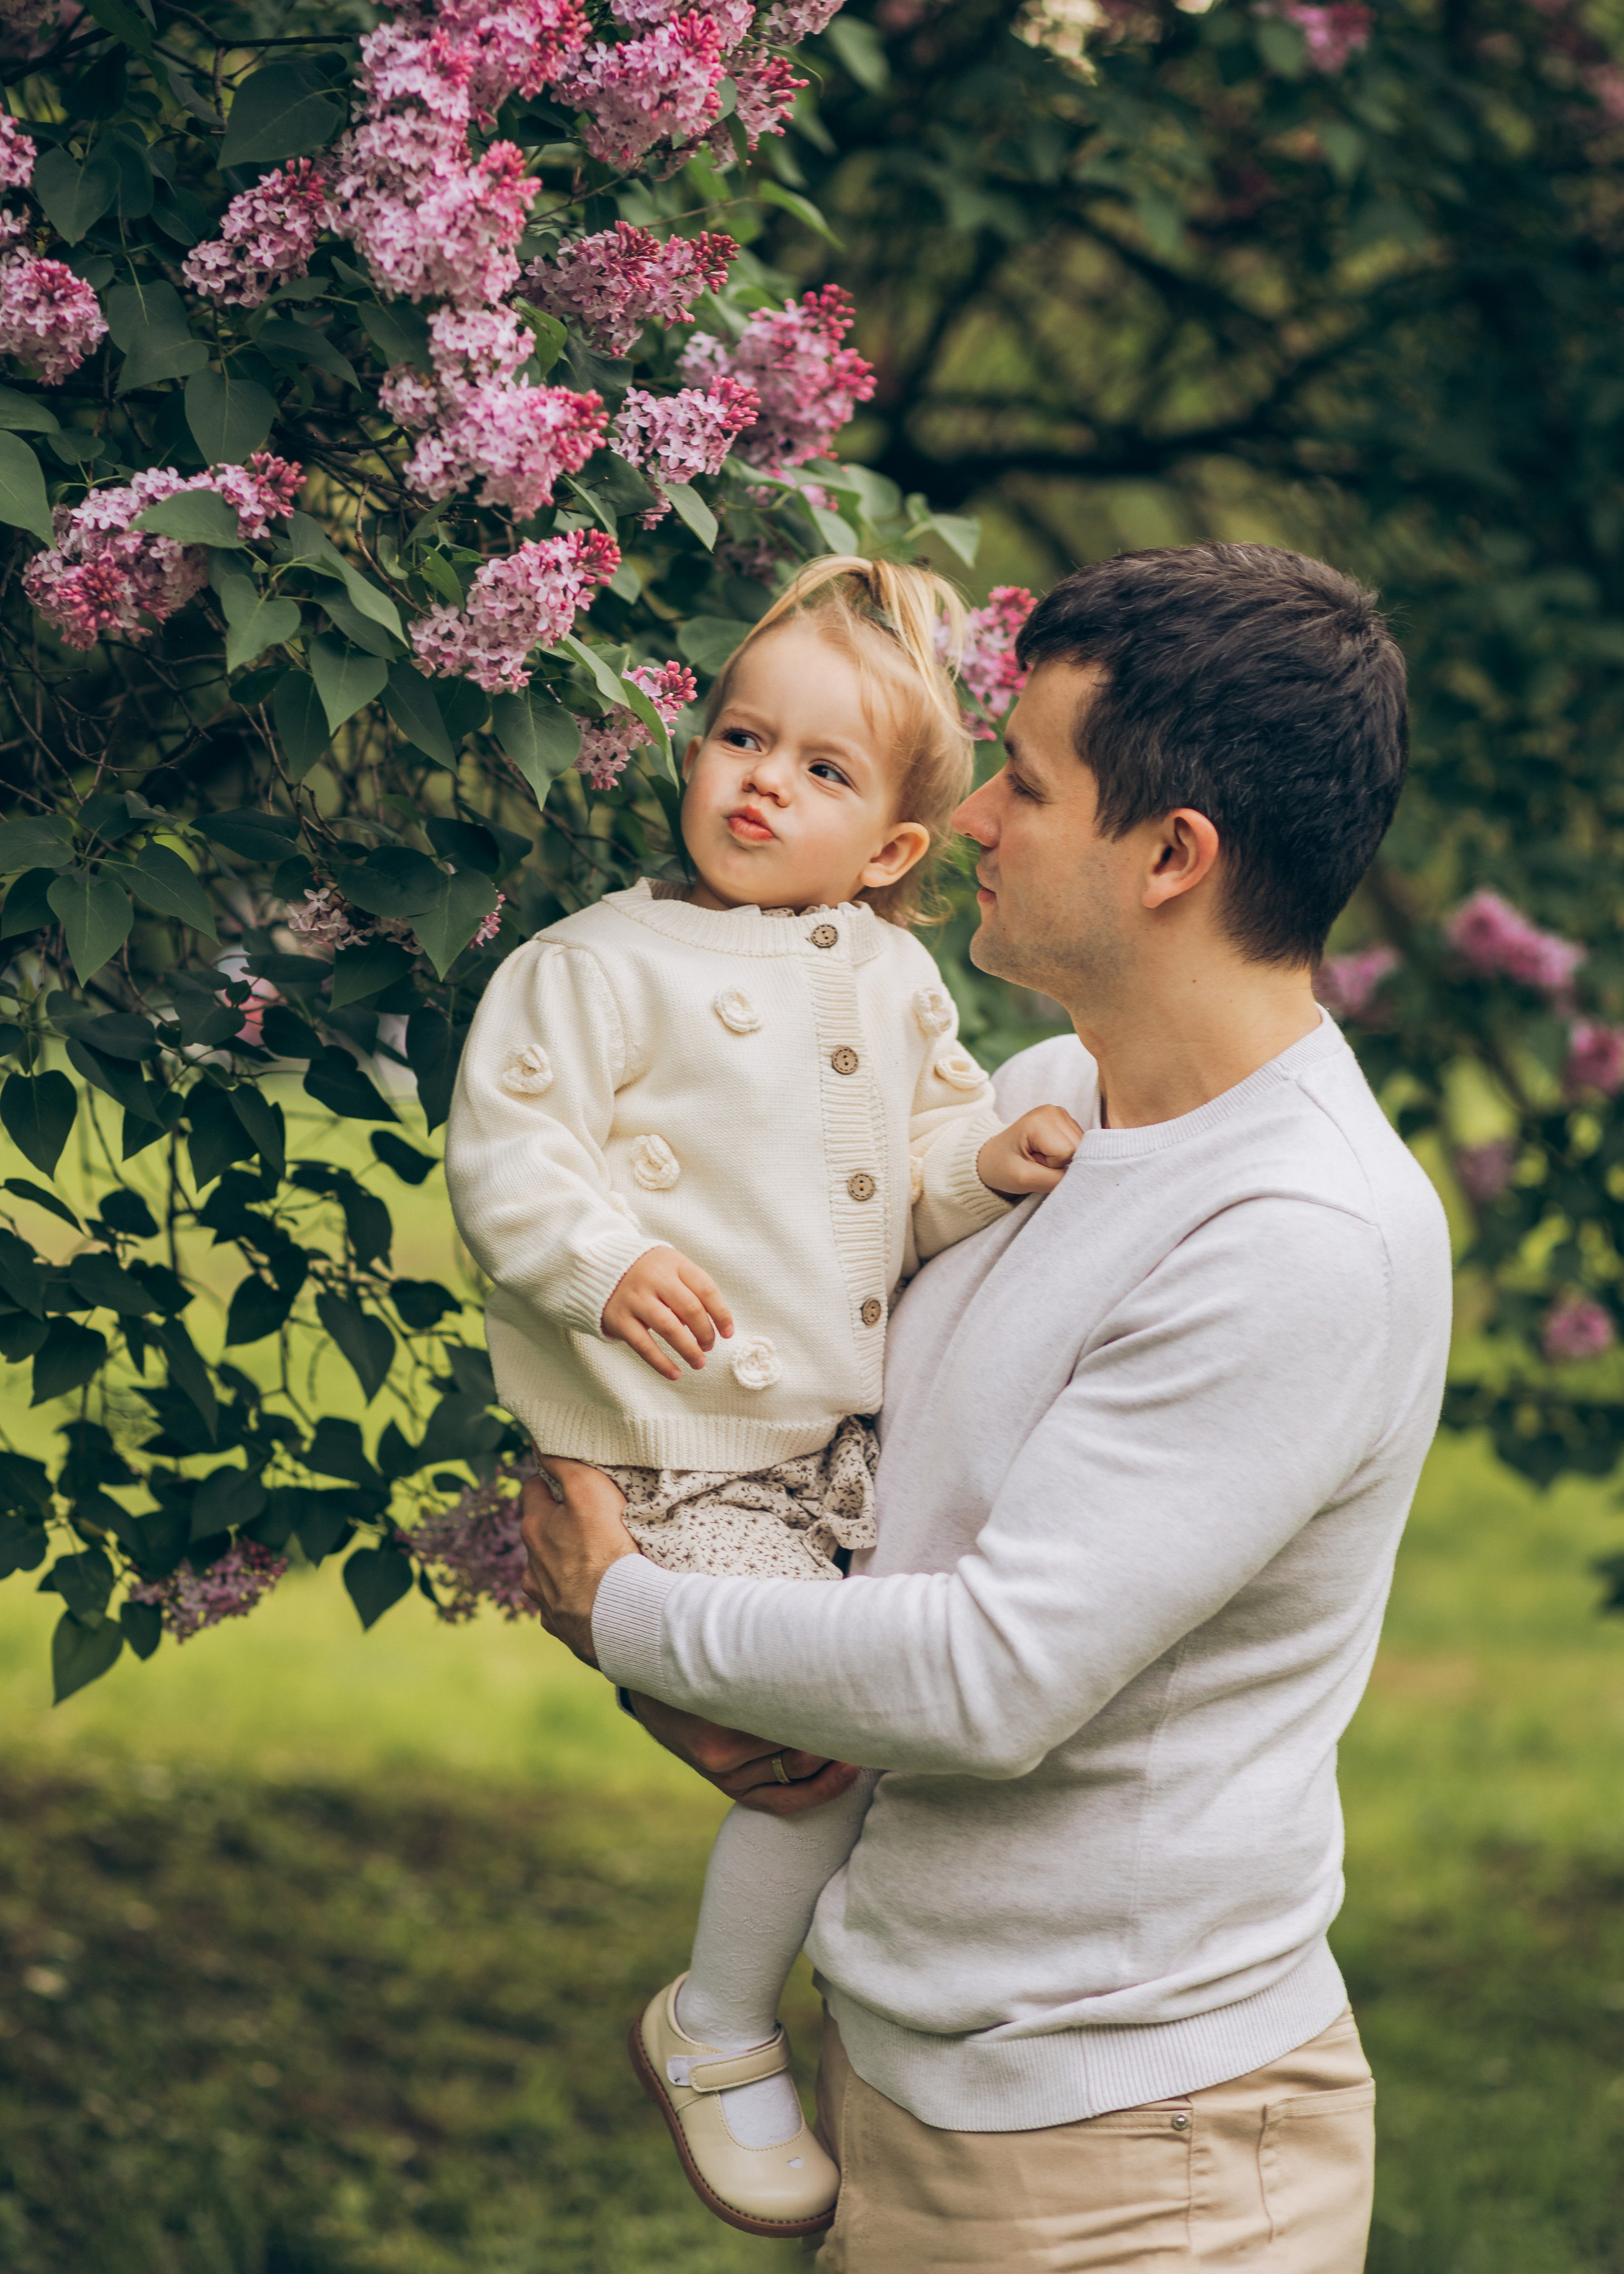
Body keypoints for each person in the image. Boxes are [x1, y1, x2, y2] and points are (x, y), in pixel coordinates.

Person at [519, 541, 1456, 2273]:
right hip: (900, 2071)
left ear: (1173, 858)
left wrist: (630, 1606)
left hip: (1131, 2152)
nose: (967, 825)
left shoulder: (1304, 1239)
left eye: (1025, 784)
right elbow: (831, 1446)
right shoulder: (1032, 1109)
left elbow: (985, 1676)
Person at [442, 555, 1082, 2238]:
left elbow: (915, 1175)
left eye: (821, 767)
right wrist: (597, 1259)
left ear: (890, 849)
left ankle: (821, 2010)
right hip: (671, 1450)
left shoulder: (898, 983)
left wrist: (986, 1164)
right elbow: (510, 1149)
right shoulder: (598, 967)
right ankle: (717, 2024)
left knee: (872, 1741)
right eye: (740, 736)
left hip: (831, 1459)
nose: (760, 780)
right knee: (822, 1752)